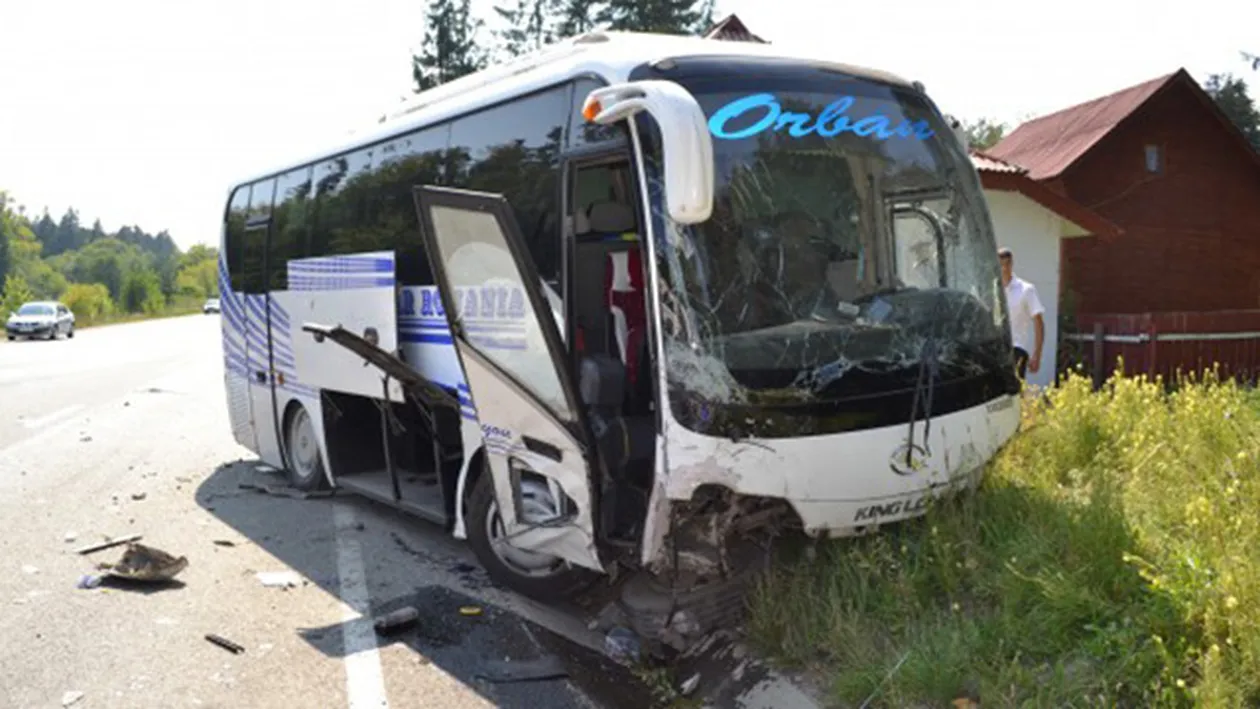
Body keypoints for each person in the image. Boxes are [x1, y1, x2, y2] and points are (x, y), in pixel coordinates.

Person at [998, 247, 1045, 380]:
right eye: (1001, 265)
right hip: (995, 349)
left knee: (1014, 392)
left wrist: (1037, 355)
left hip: (1016, 348)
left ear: (1011, 264)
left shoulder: (1026, 289)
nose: (1004, 268)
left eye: (1007, 264)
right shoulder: (992, 289)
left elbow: (1038, 322)